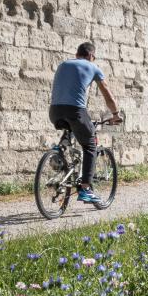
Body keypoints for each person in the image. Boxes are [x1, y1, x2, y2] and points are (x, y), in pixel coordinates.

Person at [49, 42, 122, 204]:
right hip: (75, 111)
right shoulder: (93, 67)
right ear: (91, 56)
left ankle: (60, 153)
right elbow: (107, 95)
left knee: (71, 129)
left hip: (54, 111)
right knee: (90, 145)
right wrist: (116, 114)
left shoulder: (63, 64)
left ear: (77, 54)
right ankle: (86, 189)